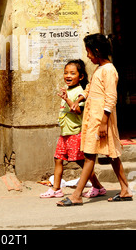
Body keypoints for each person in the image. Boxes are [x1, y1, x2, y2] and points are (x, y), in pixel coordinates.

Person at [57, 33, 133, 206]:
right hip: (95, 119)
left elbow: (111, 97)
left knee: (90, 155)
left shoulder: (109, 70)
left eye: (89, 52)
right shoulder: (99, 69)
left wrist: (104, 123)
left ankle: (76, 195)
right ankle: (125, 190)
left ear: (97, 51)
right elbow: (90, 88)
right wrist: (78, 99)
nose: (88, 56)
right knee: (112, 155)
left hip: (101, 120)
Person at [40, 59, 105, 199]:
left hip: (75, 133)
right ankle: (56, 189)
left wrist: (68, 100)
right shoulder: (68, 90)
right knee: (58, 159)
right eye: (66, 73)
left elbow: (78, 112)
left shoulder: (79, 92)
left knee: (82, 162)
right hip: (65, 133)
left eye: (72, 73)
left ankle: (98, 187)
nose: (68, 76)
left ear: (80, 76)